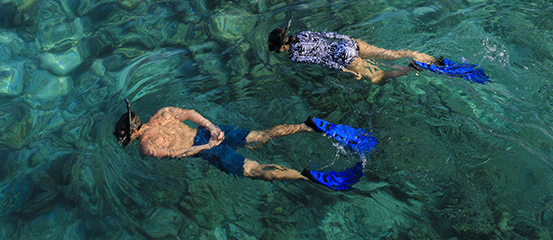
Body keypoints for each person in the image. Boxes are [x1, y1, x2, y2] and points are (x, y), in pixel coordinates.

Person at [113, 100, 370, 190]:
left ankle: (308, 177)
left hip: (207, 147)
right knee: (260, 135)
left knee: (256, 170)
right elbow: (191, 112)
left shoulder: (145, 147)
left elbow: (178, 153)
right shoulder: (163, 112)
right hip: (213, 131)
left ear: (129, 132)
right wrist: (212, 127)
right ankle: (308, 126)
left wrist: (205, 148)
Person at [267, 21, 438, 84]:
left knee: (378, 77)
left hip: (342, 57)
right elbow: (328, 35)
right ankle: (425, 57)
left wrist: (347, 71)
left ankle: (413, 68)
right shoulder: (302, 34)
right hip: (347, 43)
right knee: (390, 53)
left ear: (282, 47)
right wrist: (346, 39)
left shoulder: (295, 56)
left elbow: (321, 61)